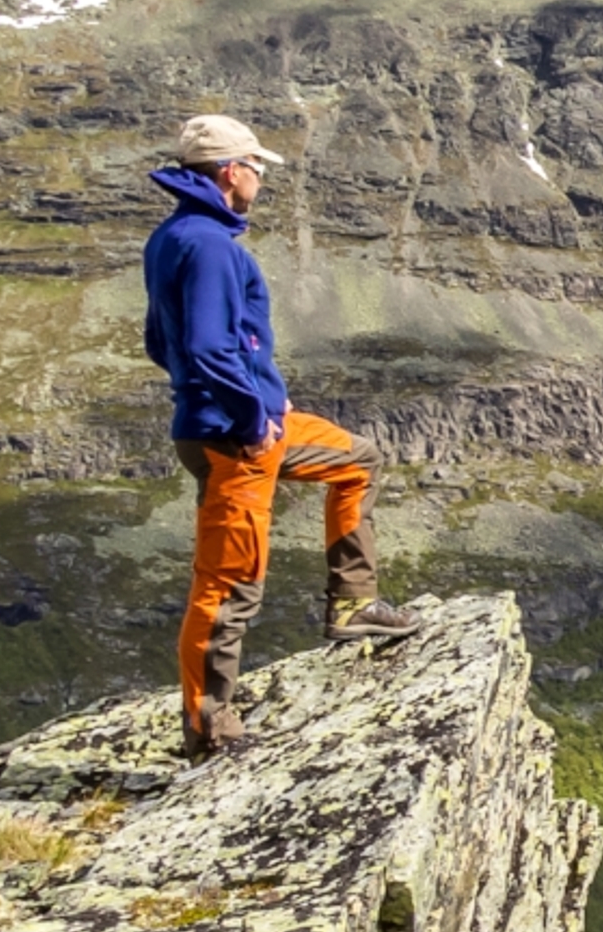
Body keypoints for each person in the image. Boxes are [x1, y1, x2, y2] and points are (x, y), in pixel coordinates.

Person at [142, 113, 416, 759]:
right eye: (257, 168)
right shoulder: (211, 246)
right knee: (230, 584)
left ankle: (352, 605)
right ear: (231, 172)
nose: (262, 180)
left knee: (357, 460)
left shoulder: (174, 236)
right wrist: (248, 412)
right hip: (235, 440)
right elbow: (210, 347)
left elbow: (162, 342)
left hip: (235, 421)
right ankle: (210, 729)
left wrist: (267, 393)